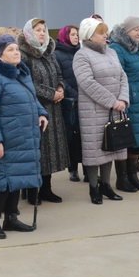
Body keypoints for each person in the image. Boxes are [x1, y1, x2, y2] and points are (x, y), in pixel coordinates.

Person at [0, 35, 48, 239]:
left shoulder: (21, 75)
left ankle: (11, 218)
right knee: (2, 181)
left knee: (17, 179)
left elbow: (32, 99)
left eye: (17, 49)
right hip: (6, 139)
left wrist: (42, 113)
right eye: (10, 50)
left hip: (24, 138)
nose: (16, 52)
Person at [74, 17, 129, 204]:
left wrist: (123, 99)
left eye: (106, 32)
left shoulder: (111, 52)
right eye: (101, 32)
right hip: (94, 111)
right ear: (89, 35)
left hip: (115, 108)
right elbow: (87, 83)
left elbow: (123, 77)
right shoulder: (82, 55)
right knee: (94, 150)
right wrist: (112, 101)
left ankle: (106, 185)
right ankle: (93, 188)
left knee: (111, 147)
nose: (106, 35)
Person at [17, 18, 69, 204]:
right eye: (37, 30)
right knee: (36, 150)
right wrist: (51, 94)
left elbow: (59, 74)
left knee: (50, 152)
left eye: (43, 30)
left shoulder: (49, 52)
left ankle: (46, 188)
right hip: (35, 109)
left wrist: (60, 88)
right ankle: (32, 191)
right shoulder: (23, 55)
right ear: (28, 33)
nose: (41, 33)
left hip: (53, 109)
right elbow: (27, 82)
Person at [109, 16, 139, 191]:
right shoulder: (117, 48)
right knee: (126, 141)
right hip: (129, 100)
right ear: (126, 31)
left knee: (137, 141)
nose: (138, 33)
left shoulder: (138, 48)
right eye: (135, 29)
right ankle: (122, 179)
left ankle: (132, 176)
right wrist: (125, 98)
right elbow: (118, 76)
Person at [54, 25, 83, 182]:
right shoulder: (57, 54)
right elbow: (60, 78)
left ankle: (88, 169)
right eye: (72, 34)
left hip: (84, 99)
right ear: (65, 36)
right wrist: (73, 93)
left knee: (84, 136)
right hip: (69, 102)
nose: (76, 37)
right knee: (71, 136)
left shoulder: (81, 52)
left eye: (77, 34)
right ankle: (73, 169)